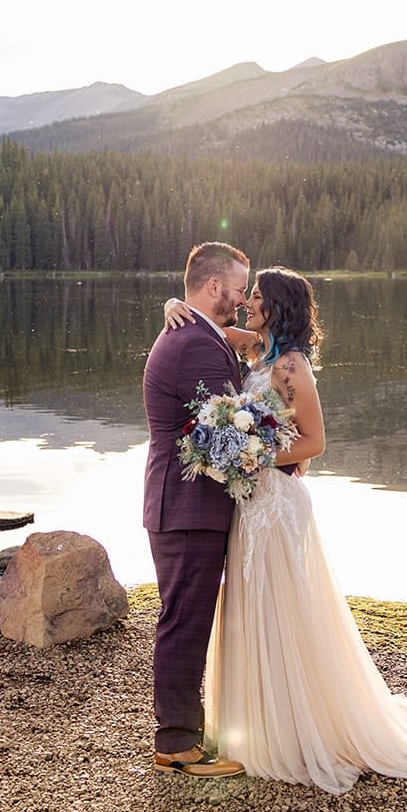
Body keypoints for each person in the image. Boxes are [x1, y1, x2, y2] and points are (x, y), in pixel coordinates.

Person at [162, 266, 407, 793]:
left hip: (275, 503)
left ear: (276, 307)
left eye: (256, 297)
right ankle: (254, 729)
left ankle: (296, 731)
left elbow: (315, 443)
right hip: (250, 505)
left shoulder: (292, 366)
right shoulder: (257, 350)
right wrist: (171, 303)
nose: (247, 302)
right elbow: (208, 326)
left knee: (284, 608)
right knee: (251, 607)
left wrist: (257, 456)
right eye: (246, 294)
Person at [142, 241, 251, 778]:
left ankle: (183, 729)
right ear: (213, 287)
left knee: (185, 617)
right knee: (185, 621)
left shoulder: (196, 333)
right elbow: (226, 432)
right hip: (187, 505)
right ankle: (177, 744)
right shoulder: (197, 345)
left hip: (180, 503)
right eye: (237, 287)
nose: (242, 296)